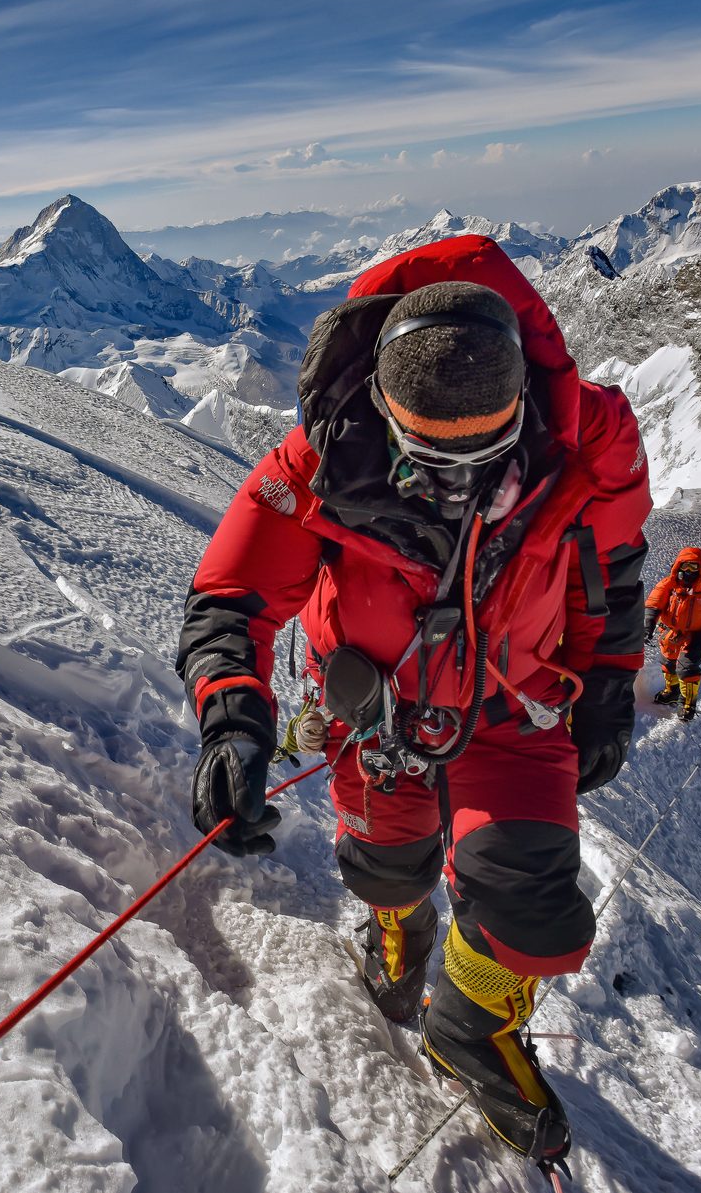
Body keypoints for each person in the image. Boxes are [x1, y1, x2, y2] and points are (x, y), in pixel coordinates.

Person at [175, 235, 651, 1172]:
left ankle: (467, 1027)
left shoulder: (591, 442)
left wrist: (605, 682)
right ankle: (400, 926)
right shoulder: (319, 461)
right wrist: (232, 717)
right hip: (380, 717)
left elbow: (612, 577)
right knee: (387, 868)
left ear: (523, 406)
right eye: (431, 455)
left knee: (535, 902)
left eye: (486, 452)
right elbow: (230, 598)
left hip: (514, 712)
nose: (459, 482)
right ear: (386, 416)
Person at [644, 549, 701, 718]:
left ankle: (687, 703)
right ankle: (672, 691)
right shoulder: (669, 583)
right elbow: (654, 603)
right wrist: (648, 626)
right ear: (678, 566)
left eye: (694, 567)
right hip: (672, 632)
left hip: (697, 635)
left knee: (687, 667)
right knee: (667, 661)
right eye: (685, 566)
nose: (688, 571)